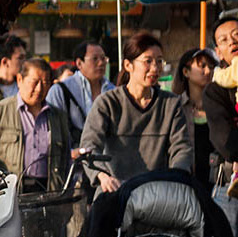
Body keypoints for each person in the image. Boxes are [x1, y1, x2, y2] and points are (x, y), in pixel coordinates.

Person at [80, 32, 192, 194]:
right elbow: (90, 147)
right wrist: (102, 176)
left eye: (159, 61)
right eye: (148, 61)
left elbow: (181, 148)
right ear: (128, 65)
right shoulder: (107, 103)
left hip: (158, 193)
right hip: (115, 189)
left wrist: (177, 176)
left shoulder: (171, 104)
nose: (155, 68)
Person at [0, 57, 70, 192]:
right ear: (20, 80)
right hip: (9, 193)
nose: (39, 88)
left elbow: (66, 160)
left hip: (48, 194)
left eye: (45, 82)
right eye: (35, 82)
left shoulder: (58, 117)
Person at [46, 41, 115, 146]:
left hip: (108, 158)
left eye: (103, 58)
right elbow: (51, 131)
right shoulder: (60, 91)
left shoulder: (113, 91)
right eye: (95, 59)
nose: (101, 63)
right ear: (79, 63)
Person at [204, 12, 238, 227]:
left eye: (236, 35)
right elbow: (226, 141)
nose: (232, 41)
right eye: (224, 40)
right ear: (218, 52)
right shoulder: (215, 90)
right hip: (230, 186)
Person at [173, 48, 218, 191]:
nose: (208, 71)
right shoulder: (176, 107)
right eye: (202, 66)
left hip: (218, 182)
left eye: (211, 67)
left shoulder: (219, 105)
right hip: (188, 182)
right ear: (185, 72)